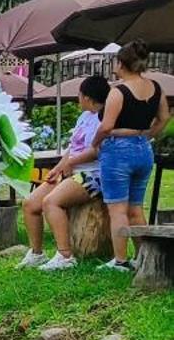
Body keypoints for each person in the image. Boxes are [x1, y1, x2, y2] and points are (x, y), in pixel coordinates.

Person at [55, 43, 169, 271]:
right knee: (136, 208)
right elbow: (164, 117)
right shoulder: (156, 88)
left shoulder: (119, 91)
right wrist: (147, 135)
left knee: (117, 209)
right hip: (143, 151)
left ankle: (120, 260)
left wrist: (97, 142)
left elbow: (106, 126)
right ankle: (143, 257)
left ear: (121, 63)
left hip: (118, 150)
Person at [24, 74, 110, 270]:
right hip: (71, 171)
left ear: (87, 97)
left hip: (92, 175)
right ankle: (36, 253)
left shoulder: (104, 119)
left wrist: (71, 163)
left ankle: (65, 256)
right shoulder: (84, 117)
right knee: (31, 203)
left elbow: (97, 151)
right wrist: (58, 168)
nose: (77, 99)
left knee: (51, 202)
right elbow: (74, 148)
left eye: (79, 95)